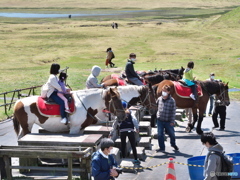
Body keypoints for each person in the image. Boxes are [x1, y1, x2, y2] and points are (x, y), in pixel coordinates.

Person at [156, 85, 178, 151]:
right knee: (160, 134)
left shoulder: (172, 100)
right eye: (163, 91)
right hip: (160, 120)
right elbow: (155, 106)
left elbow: (173, 111)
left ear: (168, 92)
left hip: (168, 121)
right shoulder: (159, 99)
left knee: (172, 134)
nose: (163, 92)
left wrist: (172, 121)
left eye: (165, 91)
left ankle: (173, 144)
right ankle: (162, 148)